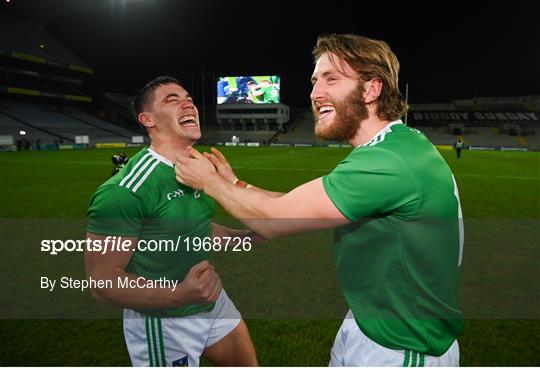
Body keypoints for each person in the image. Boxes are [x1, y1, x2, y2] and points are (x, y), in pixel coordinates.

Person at [175, 34, 464, 366]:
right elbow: (295, 204)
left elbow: (274, 220)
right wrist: (236, 184)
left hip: (403, 347)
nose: (314, 93)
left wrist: (209, 181)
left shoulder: (388, 161)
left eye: (332, 79)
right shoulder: (394, 146)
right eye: (314, 81)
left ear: (371, 90)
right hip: (372, 321)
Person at [86, 76, 258, 367]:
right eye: (172, 99)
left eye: (188, 98)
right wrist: (179, 295)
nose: (188, 102)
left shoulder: (198, 169)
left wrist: (245, 238)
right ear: (148, 119)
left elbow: (195, 227)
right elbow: (102, 282)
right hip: (164, 320)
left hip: (212, 301)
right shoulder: (125, 191)